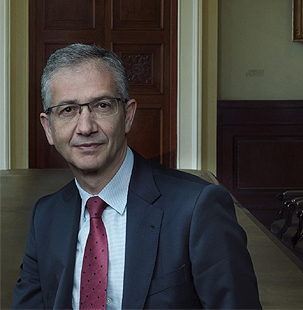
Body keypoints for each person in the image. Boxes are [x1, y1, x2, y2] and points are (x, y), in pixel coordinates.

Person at [11, 43, 262, 309]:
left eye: (102, 105)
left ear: (128, 115)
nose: (85, 127)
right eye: (68, 110)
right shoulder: (46, 216)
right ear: (48, 128)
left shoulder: (198, 208)